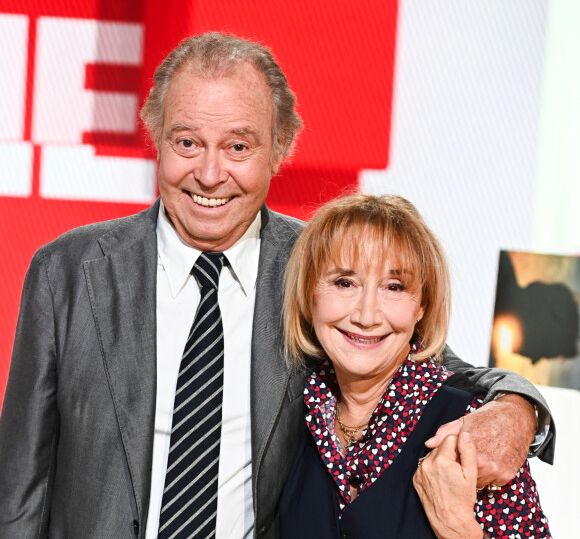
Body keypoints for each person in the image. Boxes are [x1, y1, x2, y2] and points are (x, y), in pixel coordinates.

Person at [0, 33, 552, 539]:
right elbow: (19, 487)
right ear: (156, 138)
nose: (211, 173)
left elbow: (426, 360)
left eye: (238, 148)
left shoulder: (320, 266)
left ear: (280, 148)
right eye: (188, 142)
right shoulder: (68, 272)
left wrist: (519, 408)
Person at [279, 193, 550, 538]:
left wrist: (458, 528)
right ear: (308, 294)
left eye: (394, 287)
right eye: (344, 283)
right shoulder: (301, 414)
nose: (365, 315)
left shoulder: (472, 430)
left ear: (422, 305)